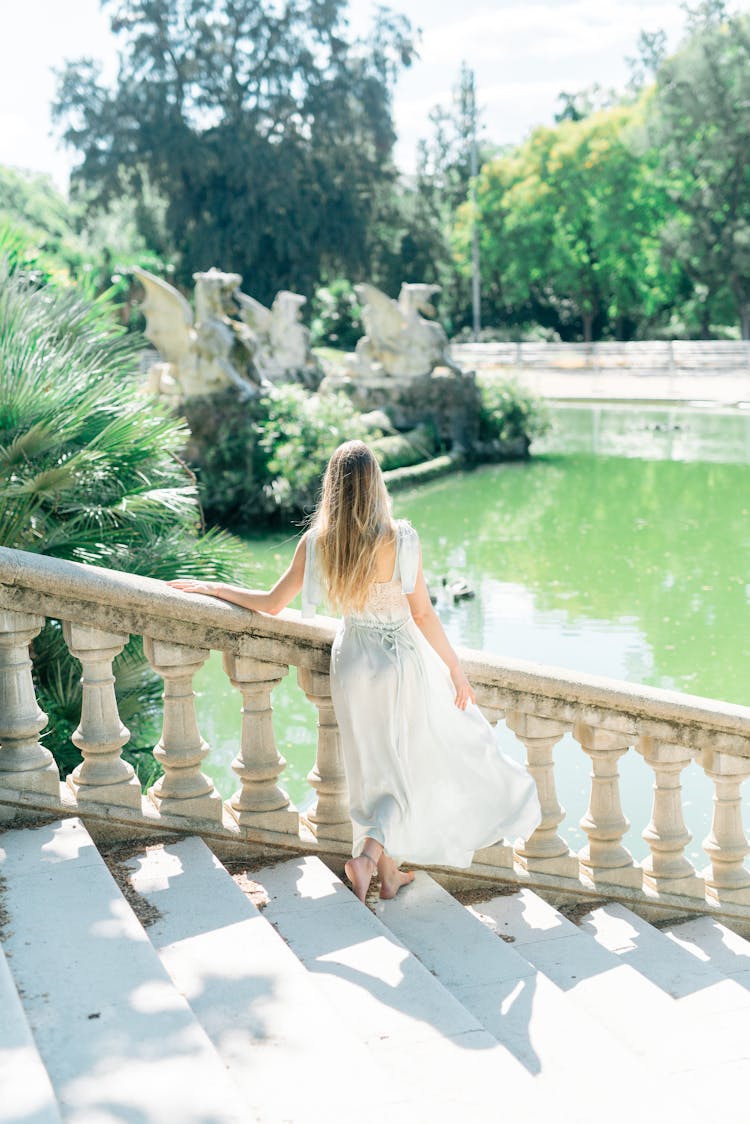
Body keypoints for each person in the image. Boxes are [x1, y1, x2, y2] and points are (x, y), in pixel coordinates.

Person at [169, 440, 541, 904]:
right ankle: (367, 857)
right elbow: (423, 614)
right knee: (405, 768)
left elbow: (270, 604)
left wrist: (212, 587)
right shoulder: (400, 537)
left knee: (370, 768)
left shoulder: (319, 542)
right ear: (376, 484)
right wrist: (456, 671)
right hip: (400, 663)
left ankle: (390, 875)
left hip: (352, 663)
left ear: (333, 488)